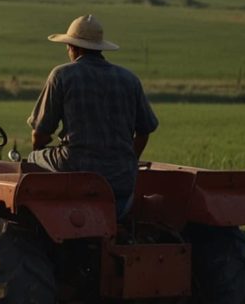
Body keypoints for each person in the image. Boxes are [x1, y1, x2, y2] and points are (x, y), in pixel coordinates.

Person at [26, 14, 158, 218]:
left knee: (33, 157)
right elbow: (144, 131)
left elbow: (40, 133)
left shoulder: (62, 75)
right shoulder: (129, 79)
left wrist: (38, 150)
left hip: (76, 168)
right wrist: (129, 161)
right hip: (122, 178)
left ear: (74, 47)